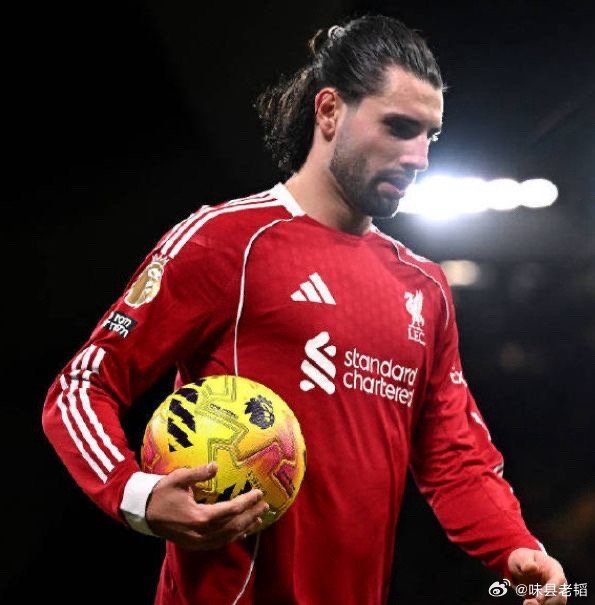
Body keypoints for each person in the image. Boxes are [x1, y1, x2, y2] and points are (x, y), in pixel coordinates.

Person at [42, 15, 568, 605]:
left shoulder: (424, 286)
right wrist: (135, 494)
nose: (419, 157)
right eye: (399, 127)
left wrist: (514, 545)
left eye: (431, 136)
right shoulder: (227, 242)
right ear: (329, 111)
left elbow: (454, 455)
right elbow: (82, 387)